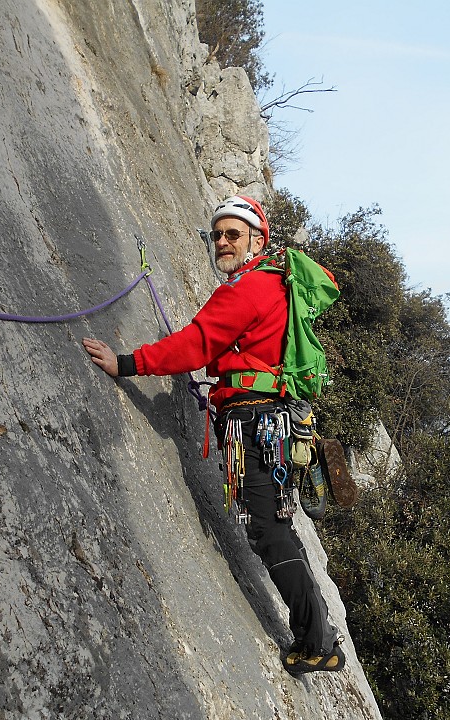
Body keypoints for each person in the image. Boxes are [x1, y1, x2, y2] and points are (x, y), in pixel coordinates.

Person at [82, 196, 344, 675]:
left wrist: (128, 363)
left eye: (233, 234)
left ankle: (316, 640)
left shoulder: (248, 288)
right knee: (276, 525)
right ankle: (319, 630)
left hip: (257, 423)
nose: (223, 242)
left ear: (257, 241)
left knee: (269, 529)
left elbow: (197, 343)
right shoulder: (274, 284)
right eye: (218, 235)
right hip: (275, 420)